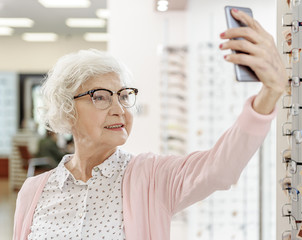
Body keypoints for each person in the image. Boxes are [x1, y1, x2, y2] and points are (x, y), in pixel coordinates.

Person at [13, 9, 287, 240]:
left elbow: (220, 168)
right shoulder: (34, 191)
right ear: (67, 110)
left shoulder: (152, 177)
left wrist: (269, 93)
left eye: (123, 96)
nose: (119, 109)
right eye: (100, 97)